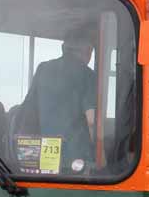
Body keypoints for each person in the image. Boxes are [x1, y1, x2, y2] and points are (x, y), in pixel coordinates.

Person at [18, 22, 98, 171]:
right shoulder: (88, 75)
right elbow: (92, 120)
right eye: (91, 51)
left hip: (39, 154)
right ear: (87, 51)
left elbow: (29, 111)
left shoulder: (43, 69)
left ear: (63, 48)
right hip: (75, 158)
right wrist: (101, 156)